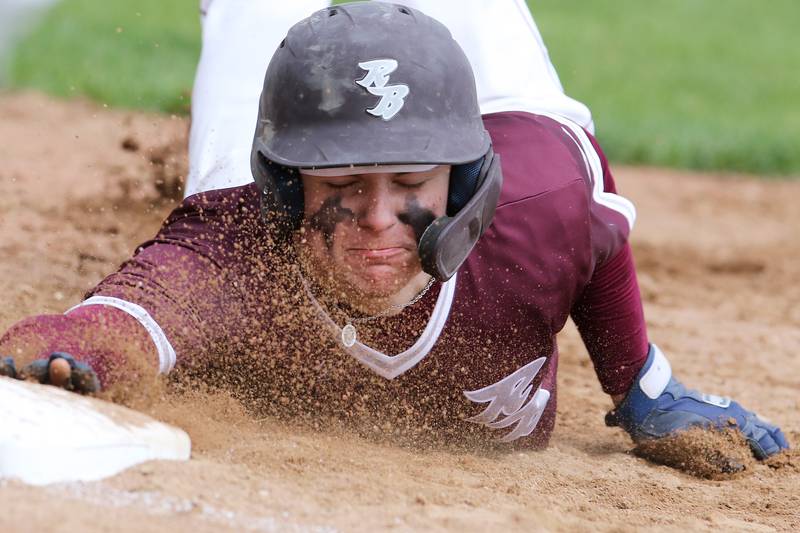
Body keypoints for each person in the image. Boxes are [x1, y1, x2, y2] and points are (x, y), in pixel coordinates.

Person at [0, 1, 788, 458]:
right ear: (283, 186)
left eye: (411, 186)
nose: (379, 220)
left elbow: (596, 224)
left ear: (472, 183)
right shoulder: (236, 239)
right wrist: (76, 349)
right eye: (340, 185)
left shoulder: (537, 197)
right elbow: (120, 321)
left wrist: (642, 382)